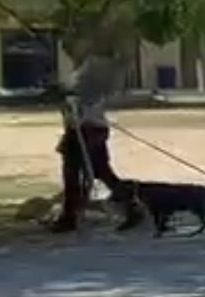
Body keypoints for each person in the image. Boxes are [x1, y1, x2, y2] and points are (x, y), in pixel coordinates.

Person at [50, 49, 142, 233]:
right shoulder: (88, 66)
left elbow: (85, 95)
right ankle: (130, 204)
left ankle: (70, 217)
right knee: (100, 171)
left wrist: (67, 93)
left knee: (73, 173)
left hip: (86, 127)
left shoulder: (94, 66)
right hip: (90, 126)